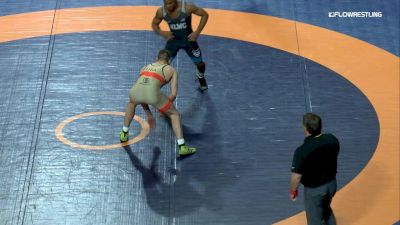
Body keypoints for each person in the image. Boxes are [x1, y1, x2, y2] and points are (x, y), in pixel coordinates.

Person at [119, 49, 196, 157]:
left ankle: (124, 133)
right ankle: (182, 147)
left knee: (131, 103)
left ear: (157, 58)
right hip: (153, 95)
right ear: (168, 61)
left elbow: (141, 91)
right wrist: (163, 108)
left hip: (135, 91)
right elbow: (173, 94)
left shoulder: (145, 67)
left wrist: (149, 115)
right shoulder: (171, 70)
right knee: (174, 115)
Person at [290, 113, 340, 225]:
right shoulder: (332, 139)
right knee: (325, 209)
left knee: (315, 220)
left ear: (305, 128)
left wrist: (293, 190)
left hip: (315, 191)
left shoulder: (302, 151)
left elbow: (297, 176)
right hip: (331, 184)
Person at [151, 0, 209, 91]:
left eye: (170, 3)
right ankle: (154, 89)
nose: (168, 6)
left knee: (200, 64)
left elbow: (205, 15)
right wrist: (162, 33)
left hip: (189, 40)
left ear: (176, 1)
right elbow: (154, 24)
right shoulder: (161, 11)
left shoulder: (187, 8)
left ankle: (200, 77)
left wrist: (197, 32)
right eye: (165, 4)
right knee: (162, 64)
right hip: (173, 41)